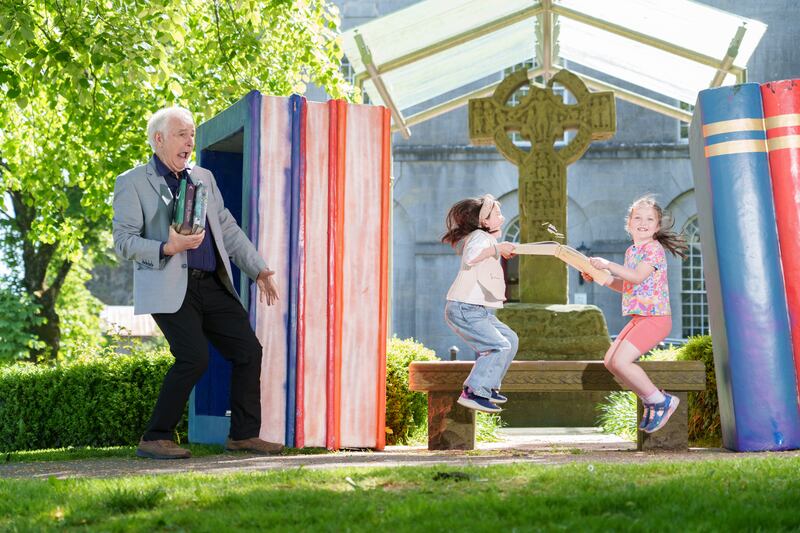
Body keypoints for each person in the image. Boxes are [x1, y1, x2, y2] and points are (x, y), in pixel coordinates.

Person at [113, 106, 281, 459]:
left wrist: (258, 268)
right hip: (170, 285)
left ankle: (243, 436)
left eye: (191, 134)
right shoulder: (132, 182)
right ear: (158, 139)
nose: (189, 142)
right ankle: (155, 437)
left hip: (212, 283)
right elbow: (124, 241)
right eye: (181, 134)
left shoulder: (203, 177)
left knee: (248, 351)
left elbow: (228, 227)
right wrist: (166, 246)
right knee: (194, 357)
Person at [583, 195, 688, 433]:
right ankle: (651, 398)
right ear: (628, 223)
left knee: (621, 361)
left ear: (657, 226)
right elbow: (626, 285)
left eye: (649, 219)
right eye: (637, 217)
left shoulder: (653, 250)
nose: (643, 222)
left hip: (656, 318)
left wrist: (607, 264)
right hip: (640, 318)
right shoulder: (632, 251)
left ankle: (661, 401)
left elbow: (637, 277)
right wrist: (597, 275)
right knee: (610, 361)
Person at [442, 194, 518, 413]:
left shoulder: (487, 239)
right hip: (465, 307)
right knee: (498, 346)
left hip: (478, 311)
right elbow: (471, 257)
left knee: (510, 339)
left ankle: (489, 386)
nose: (502, 217)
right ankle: (474, 391)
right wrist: (496, 248)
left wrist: (498, 247)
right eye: (497, 214)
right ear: (484, 221)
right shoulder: (479, 237)